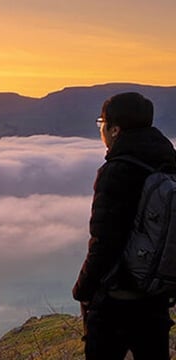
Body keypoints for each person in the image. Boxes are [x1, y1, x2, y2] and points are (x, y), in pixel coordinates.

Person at [73, 92, 176, 359]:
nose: (101, 131)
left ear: (114, 129)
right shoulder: (169, 164)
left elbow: (105, 241)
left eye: (101, 124)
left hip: (116, 302)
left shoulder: (117, 171)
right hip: (156, 296)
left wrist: (83, 290)